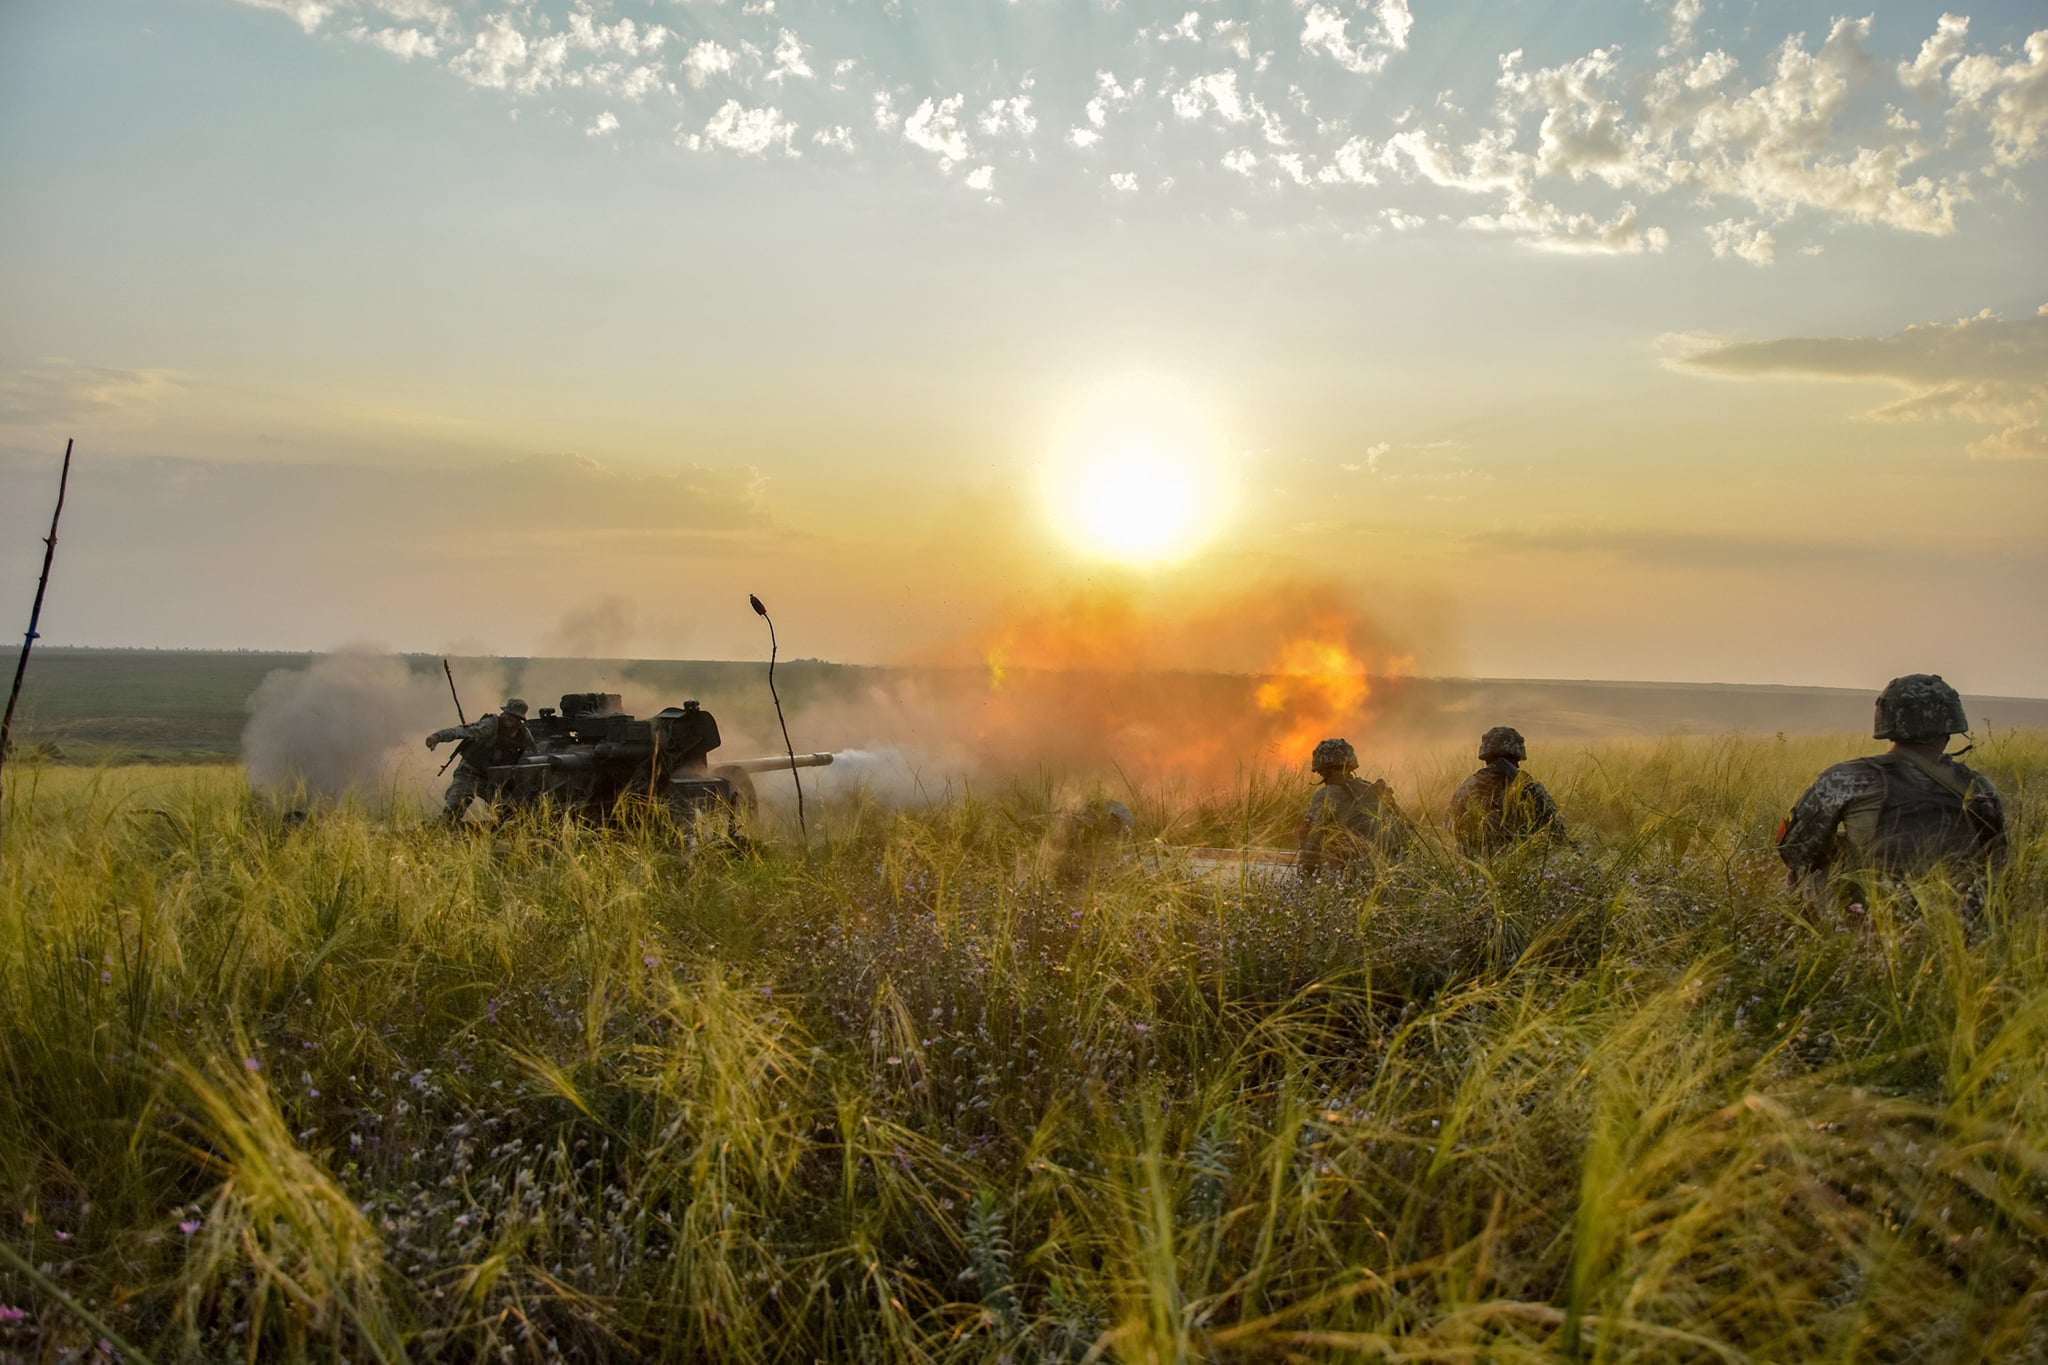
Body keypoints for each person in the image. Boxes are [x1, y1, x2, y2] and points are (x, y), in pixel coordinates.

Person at [1776, 674, 2006, 914]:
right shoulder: (1979, 786)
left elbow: (1795, 852)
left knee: (1808, 868)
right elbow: (1998, 863)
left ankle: (1814, 936)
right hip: (1958, 916)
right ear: (1951, 724)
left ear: (1887, 720)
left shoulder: (1846, 778)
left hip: (1870, 917)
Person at [1298, 737, 1410, 879]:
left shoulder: (1325, 795)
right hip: (1393, 870)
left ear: (1322, 770)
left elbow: (1312, 844)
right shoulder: (1372, 789)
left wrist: (1305, 879)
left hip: (1354, 875)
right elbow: (1403, 830)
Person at [1449, 726, 1566, 856]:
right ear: (1517, 756)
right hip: (1521, 859)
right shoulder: (1529, 786)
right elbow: (1555, 827)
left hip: (1474, 860)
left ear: (1485, 756)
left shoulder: (1470, 784)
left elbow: (1451, 824)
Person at [426, 698, 535, 823]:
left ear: (520, 719)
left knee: (510, 812)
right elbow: (463, 731)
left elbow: (533, 756)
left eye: (514, 716)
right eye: (507, 714)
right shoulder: (491, 725)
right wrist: (437, 737)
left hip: (493, 781)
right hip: (470, 773)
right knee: (452, 811)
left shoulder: (523, 735)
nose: (509, 718)